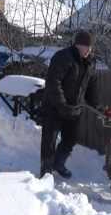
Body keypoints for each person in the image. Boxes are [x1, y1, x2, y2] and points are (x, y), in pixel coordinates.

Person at [40, 30, 99, 178]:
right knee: (49, 139)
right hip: (54, 107)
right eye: (87, 47)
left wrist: (96, 105)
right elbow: (54, 82)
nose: (89, 51)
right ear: (78, 45)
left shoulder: (90, 62)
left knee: (71, 138)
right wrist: (61, 104)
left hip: (73, 108)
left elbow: (90, 86)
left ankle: (58, 163)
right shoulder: (63, 57)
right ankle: (46, 172)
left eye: (91, 48)